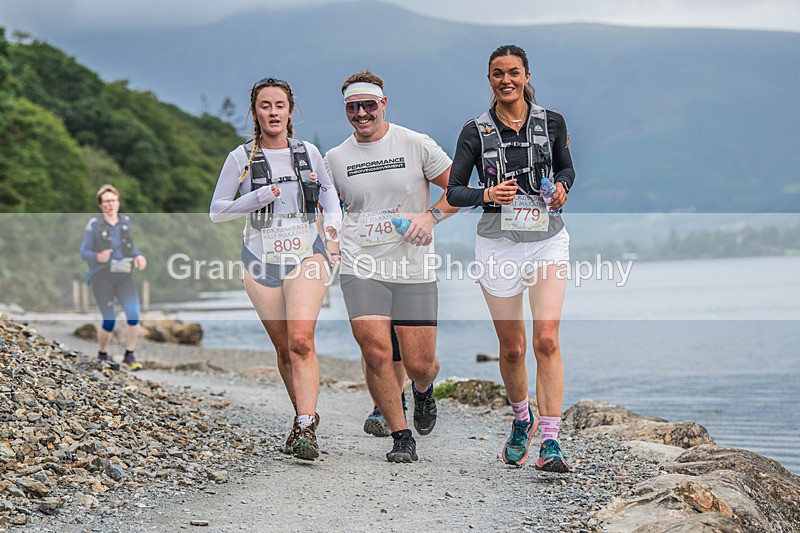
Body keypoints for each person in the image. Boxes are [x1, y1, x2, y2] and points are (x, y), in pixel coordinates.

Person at [446, 45, 575, 473]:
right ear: (489, 79)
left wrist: (561, 188)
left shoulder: (551, 122)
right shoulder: (475, 131)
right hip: (497, 245)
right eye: (498, 73)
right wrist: (487, 194)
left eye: (514, 72)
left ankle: (551, 441)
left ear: (526, 76)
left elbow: (567, 169)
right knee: (513, 348)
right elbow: (454, 191)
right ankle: (522, 420)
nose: (507, 80)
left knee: (546, 340)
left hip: (546, 240)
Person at [325, 71, 457, 462]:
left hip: (412, 266)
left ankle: (423, 390)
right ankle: (401, 437)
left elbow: (458, 190)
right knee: (376, 352)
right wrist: (327, 240)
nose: (361, 114)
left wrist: (430, 217)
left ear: (384, 104)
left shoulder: (416, 144)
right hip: (360, 264)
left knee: (420, 364)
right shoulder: (335, 159)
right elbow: (327, 211)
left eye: (369, 105)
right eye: (353, 107)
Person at [210, 77, 342, 461]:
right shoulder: (240, 158)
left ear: (290, 111)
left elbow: (331, 199)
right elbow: (217, 211)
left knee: (301, 340)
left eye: (279, 105)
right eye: (265, 106)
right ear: (255, 112)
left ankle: (305, 425)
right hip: (259, 260)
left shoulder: (308, 153)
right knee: (284, 349)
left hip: (307, 255)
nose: (272, 112)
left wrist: (333, 236)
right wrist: (256, 197)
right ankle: (302, 417)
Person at [79, 184, 147, 370]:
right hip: (102, 276)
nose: (110, 204)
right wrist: (97, 256)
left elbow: (130, 246)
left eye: (113, 200)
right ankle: (102, 354)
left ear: (118, 202)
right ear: (101, 205)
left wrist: (138, 256)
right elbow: (83, 252)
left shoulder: (125, 222)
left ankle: (129, 355)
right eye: (106, 201)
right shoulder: (94, 225)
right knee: (109, 320)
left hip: (124, 275)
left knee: (134, 315)